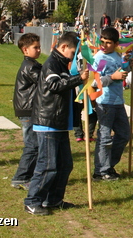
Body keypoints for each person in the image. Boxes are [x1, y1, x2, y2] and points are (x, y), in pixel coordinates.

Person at [24, 32, 88, 216]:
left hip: (60, 122)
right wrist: (78, 79)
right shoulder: (52, 63)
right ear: (63, 47)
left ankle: (53, 200)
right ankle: (32, 201)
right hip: (48, 122)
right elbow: (54, 85)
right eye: (73, 51)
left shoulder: (61, 63)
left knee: (65, 164)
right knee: (48, 165)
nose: (75, 55)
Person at [92, 27, 130, 181]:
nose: (104, 46)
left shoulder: (116, 55)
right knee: (105, 137)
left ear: (115, 44)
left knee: (123, 134)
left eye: (108, 43)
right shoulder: (100, 58)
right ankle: (100, 171)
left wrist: (128, 64)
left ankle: (109, 165)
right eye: (102, 42)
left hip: (118, 101)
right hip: (105, 103)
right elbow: (95, 82)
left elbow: (121, 70)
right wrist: (112, 77)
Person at [11, 33, 42, 190]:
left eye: (39, 47)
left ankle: (29, 175)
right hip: (28, 110)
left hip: (29, 110)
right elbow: (44, 81)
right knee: (32, 145)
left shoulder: (33, 64)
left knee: (34, 145)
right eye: (35, 47)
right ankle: (21, 177)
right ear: (25, 50)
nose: (38, 50)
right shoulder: (30, 66)